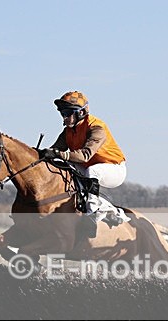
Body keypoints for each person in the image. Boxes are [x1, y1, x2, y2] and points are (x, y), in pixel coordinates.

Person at [38, 91, 130, 236]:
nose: (65, 117)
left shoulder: (96, 128)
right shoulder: (68, 131)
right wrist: (37, 154)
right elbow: (55, 150)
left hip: (114, 169)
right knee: (65, 168)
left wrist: (58, 154)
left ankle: (91, 214)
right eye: (62, 113)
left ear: (81, 112)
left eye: (68, 112)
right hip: (89, 167)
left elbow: (84, 156)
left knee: (93, 172)